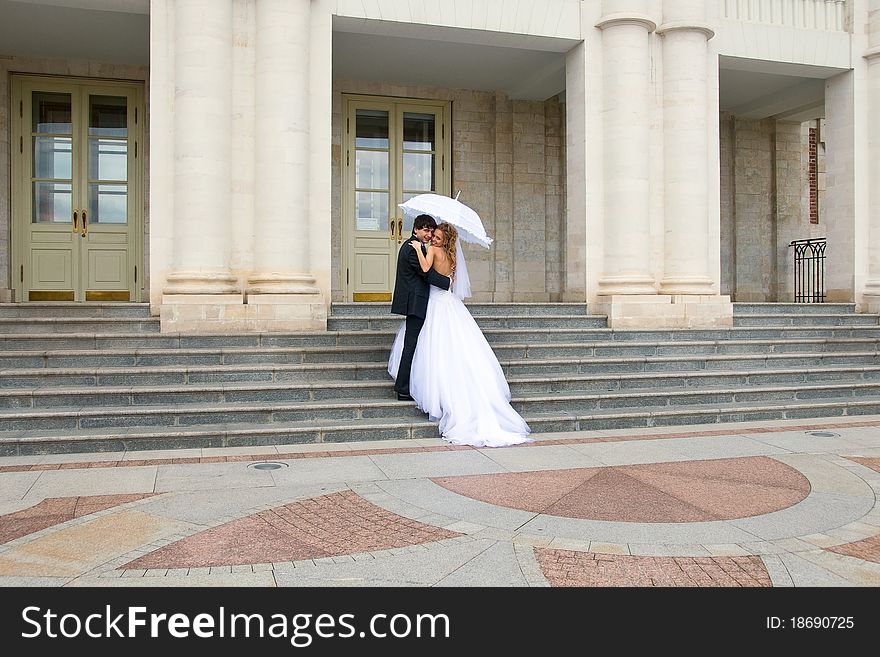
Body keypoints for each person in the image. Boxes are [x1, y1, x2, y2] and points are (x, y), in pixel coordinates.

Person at [388, 222, 532, 447]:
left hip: (435, 303)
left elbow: (426, 271)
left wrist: (419, 248)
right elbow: (448, 280)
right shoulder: (451, 255)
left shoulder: (430, 250)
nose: (433, 238)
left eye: (436, 236)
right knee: (451, 345)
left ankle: (420, 387)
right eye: (431, 235)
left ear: (444, 239)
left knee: (433, 345)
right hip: (449, 304)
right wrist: (443, 277)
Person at [390, 214, 451, 401]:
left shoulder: (418, 247)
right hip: (415, 302)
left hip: (419, 300)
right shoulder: (411, 249)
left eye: (431, 231)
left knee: (415, 344)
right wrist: (447, 282)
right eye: (426, 230)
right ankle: (402, 388)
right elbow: (427, 275)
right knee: (410, 345)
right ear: (415, 229)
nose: (429, 234)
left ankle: (407, 385)